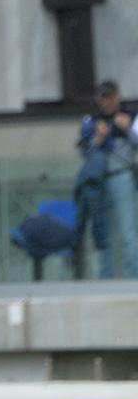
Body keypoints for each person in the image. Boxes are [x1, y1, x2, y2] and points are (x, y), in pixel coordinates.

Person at [75, 80, 138, 278]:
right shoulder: (91, 121)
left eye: (110, 97)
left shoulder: (131, 116)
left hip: (122, 177)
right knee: (102, 233)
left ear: (118, 96)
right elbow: (83, 150)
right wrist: (97, 139)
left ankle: (133, 277)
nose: (107, 102)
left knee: (127, 233)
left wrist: (128, 129)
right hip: (98, 182)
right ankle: (106, 278)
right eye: (103, 97)